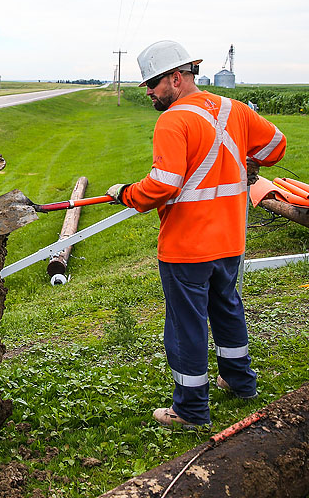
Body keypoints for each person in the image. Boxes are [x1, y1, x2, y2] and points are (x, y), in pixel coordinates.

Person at [106, 40, 286, 428]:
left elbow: (163, 185)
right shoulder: (231, 109)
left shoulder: (172, 120)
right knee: (226, 307)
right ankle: (240, 383)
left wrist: (125, 195)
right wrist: (249, 164)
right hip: (230, 240)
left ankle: (190, 411)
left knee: (186, 325)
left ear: (176, 77)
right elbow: (276, 144)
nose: (150, 92)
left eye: (153, 83)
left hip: (187, 246)